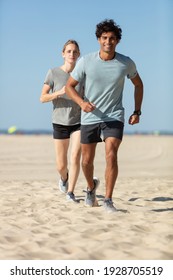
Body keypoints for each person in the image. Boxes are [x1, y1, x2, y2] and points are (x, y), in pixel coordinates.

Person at [65, 19, 143, 213]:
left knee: (111, 154)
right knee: (86, 161)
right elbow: (69, 86)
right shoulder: (86, 61)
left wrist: (137, 111)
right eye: (105, 38)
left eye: (112, 38)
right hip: (90, 117)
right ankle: (91, 189)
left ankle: (108, 200)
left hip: (114, 115)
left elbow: (139, 85)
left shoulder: (125, 62)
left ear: (117, 41)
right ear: (99, 39)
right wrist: (82, 103)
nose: (108, 41)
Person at [40, 39, 83, 203]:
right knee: (61, 165)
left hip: (78, 121)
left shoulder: (82, 74)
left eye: (75, 51)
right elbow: (42, 97)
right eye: (69, 51)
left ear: (79, 55)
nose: (72, 54)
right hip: (59, 122)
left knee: (75, 156)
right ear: (63, 54)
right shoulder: (53, 73)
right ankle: (64, 179)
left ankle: (71, 193)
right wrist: (59, 92)